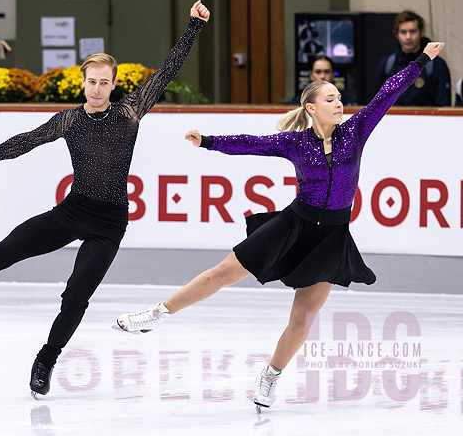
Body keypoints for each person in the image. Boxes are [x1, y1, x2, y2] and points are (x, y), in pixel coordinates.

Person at [0, 0, 210, 398]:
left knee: (75, 297)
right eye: (92, 81)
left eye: (105, 82)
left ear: (114, 84)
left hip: (108, 226)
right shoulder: (69, 119)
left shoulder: (131, 112)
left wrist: (193, 25)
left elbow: (169, 69)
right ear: (83, 82)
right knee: (7, 249)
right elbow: (26, 141)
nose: (98, 88)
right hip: (73, 212)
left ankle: (47, 360)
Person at [115, 42, 446, 409]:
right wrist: (208, 142)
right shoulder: (296, 142)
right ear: (311, 107)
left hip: (331, 237)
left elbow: (388, 92)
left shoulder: (356, 132)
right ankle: (158, 313)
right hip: (293, 224)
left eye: (340, 98)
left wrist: (421, 60)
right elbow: (251, 143)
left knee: (303, 318)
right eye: (330, 99)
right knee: (223, 272)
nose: (339, 104)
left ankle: (270, 375)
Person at [377, 10, 450, 106]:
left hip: (428, 120)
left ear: (421, 32)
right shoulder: (387, 65)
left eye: (413, 31)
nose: (408, 37)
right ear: (396, 34)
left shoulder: (436, 65)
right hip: (393, 120)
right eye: (403, 32)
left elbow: (443, 107)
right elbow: (378, 103)